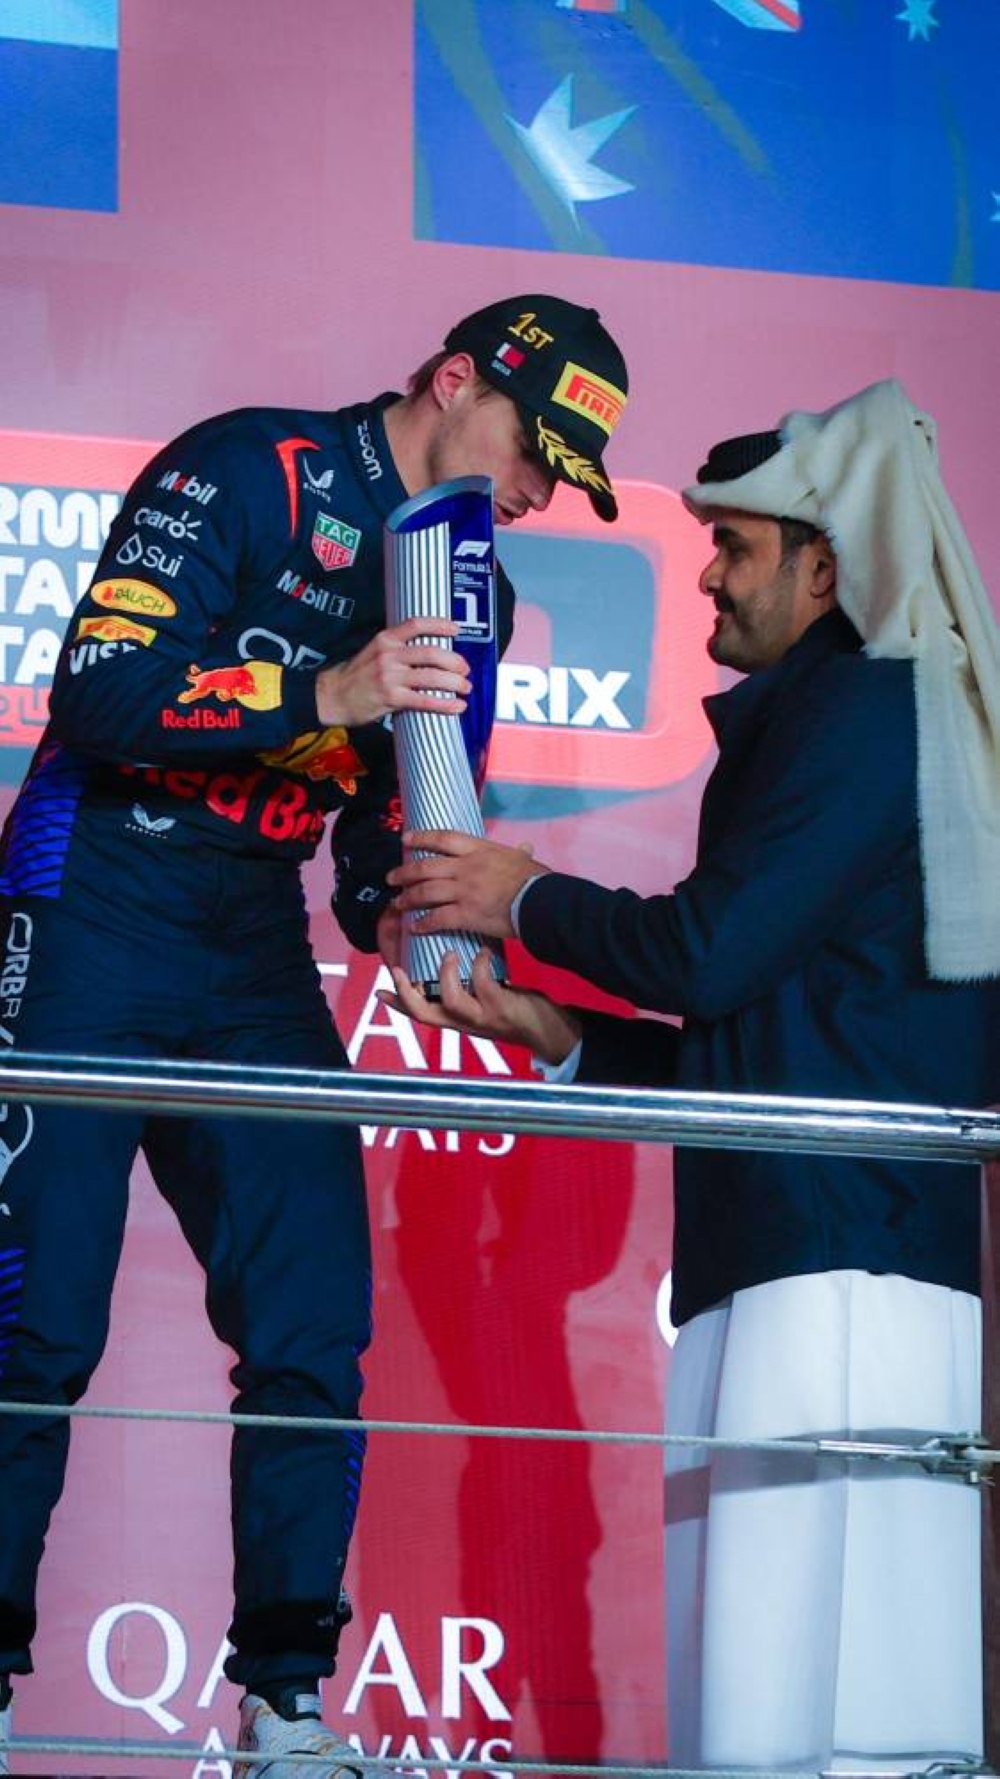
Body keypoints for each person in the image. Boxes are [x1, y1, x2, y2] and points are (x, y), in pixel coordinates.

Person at [0, 293, 629, 1779]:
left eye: (565, 477)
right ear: (454, 380)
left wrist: (397, 901)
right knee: (32, 1328)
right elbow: (96, 696)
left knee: (312, 1334)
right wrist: (325, 684)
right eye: (534, 448)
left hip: (245, 943)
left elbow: (367, 823)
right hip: (91, 901)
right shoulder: (248, 472)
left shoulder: (478, 589)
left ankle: (287, 1707)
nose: (539, 491)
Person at [385, 380, 1000, 1770]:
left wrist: (521, 894)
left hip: (852, 1265)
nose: (707, 579)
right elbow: (773, 1027)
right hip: (778, 1252)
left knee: (837, 1713)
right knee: (755, 1699)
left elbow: (710, 956)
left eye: (735, 549)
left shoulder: (868, 704)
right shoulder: (820, 717)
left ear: (825, 564)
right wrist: (566, 1037)